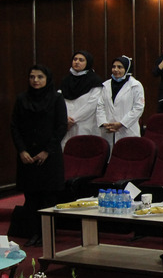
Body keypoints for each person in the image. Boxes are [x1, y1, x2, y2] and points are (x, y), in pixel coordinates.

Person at [11, 65, 67, 247]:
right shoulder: (22, 99)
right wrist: (22, 150)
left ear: (47, 79)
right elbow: (15, 127)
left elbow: (61, 127)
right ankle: (34, 233)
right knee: (31, 198)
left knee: (48, 197)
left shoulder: (56, 98)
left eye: (40, 77)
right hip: (27, 156)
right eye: (32, 77)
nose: (35, 80)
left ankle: (47, 234)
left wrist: (46, 151)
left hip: (49, 157)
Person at [97, 56, 145, 147]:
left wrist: (121, 124)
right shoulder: (106, 85)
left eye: (120, 67)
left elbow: (138, 108)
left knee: (127, 153)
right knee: (109, 153)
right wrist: (104, 123)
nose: (116, 70)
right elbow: (100, 105)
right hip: (108, 130)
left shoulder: (135, 85)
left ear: (126, 69)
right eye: (113, 67)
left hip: (127, 130)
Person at [60, 50, 103, 146]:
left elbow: (92, 105)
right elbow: (60, 101)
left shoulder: (94, 80)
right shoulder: (66, 80)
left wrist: (73, 119)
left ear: (88, 62)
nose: (77, 62)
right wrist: (65, 119)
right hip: (66, 123)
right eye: (75, 59)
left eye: (81, 60)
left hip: (85, 123)